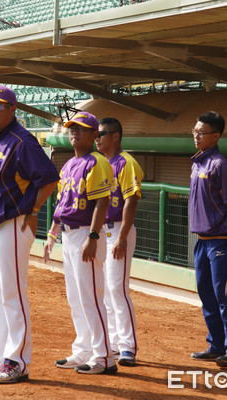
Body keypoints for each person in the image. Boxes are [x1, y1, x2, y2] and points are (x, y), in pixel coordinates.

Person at [0, 85, 60, 384]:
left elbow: (49, 178)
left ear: (12, 110)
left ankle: (17, 360)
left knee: (12, 294)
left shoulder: (22, 142)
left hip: (12, 224)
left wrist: (33, 211)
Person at [43, 111, 117, 375]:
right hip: (69, 234)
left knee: (91, 298)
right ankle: (83, 349)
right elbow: (62, 204)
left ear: (94, 135)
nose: (74, 132)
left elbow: (102, 202)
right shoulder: (69, 164)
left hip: (86, 233)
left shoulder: (96, 162)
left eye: (81, 129)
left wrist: (93, 237)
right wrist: (52, 234)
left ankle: (104, 357)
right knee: (76, 298)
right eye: (72, 128)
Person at [188, 111, 227, 368]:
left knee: (224, 295)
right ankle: (216, 345)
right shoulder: (197, 163)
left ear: (216, 135)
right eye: (195, 131)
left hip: (222, 239)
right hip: (202, 239)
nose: (196, 136)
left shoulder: (221, 165)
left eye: (201, 132)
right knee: (207, 294)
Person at [94, 117, 144, 367]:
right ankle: (114, 342)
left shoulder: (127, 163)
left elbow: (131, 201)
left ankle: (127, 346)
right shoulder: (100, 163)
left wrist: (123, 236)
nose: (97, 138)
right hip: (102, 232)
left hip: (117, 231)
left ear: (116, 136)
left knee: (117, 289)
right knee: (105, 291)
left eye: (101, 134)